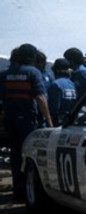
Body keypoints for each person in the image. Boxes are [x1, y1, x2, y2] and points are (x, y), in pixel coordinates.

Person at [0, 43, 53, 200]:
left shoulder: (4, 74)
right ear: (31, 57)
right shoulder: (33, 72)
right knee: (31, 155)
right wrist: (49, 120)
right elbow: (40, 97)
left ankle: (18, 189)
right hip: (27, 120)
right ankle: (33, 191)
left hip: (10, 119)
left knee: (16, 154)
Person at [48, 58, 77, 126]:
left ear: (56, 70)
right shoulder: (72, 84)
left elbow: (53, 108)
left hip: (57, 122)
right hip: (70, 121)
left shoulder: (55, 85)